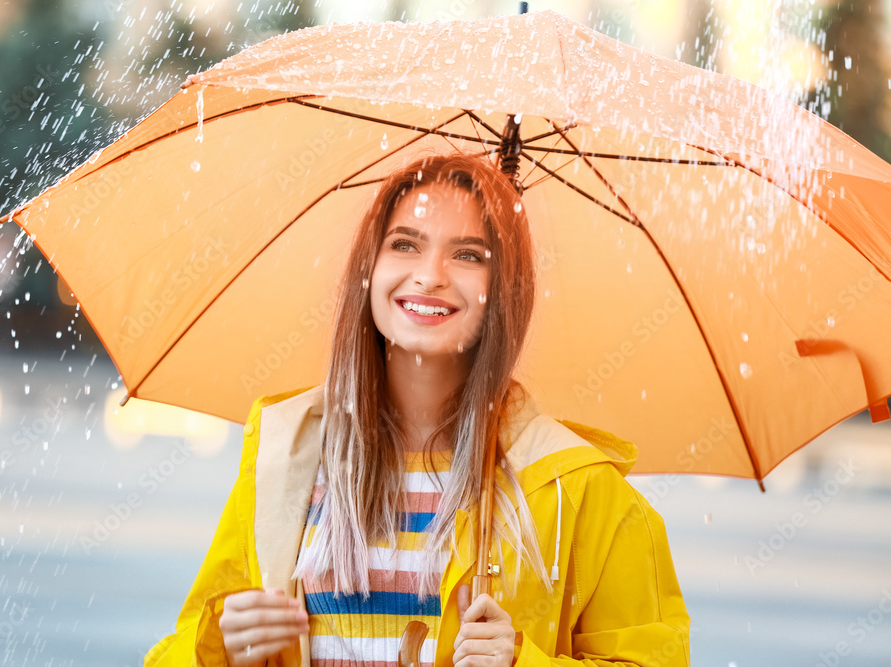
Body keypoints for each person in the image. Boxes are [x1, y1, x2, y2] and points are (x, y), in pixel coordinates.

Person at [144, 153, 690, 667]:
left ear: (505, 289)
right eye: (405, 245)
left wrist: (522, 661)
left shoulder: (578, 491)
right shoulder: (286, 460)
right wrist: (220, 647)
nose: (430, 275)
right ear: (369, 267)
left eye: (469, 255)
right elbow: (177, 649)